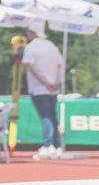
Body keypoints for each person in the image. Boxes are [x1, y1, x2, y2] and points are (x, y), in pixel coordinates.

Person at [21, 21, 66, 160]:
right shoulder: (51, 46)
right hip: (53, 88)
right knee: (52, 116)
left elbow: (31, 67)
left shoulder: (30, 47)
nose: (27, 35)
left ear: (33, 33)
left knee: (46, 116)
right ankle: (57, 145)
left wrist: (46, 82)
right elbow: (60, 65)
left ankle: (48, 145)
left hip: (40, 88)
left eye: (28, 32)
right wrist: (56, 82)